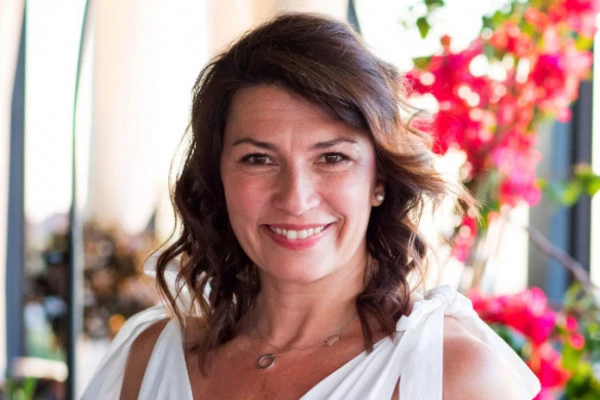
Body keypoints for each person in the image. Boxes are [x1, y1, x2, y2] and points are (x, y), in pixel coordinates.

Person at [82, 13, 541, 400]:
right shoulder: (149, 359)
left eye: (332, 158)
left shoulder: (452, 374)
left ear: (379, 180)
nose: (295, 198)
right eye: (258, 159)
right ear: (218, 179)